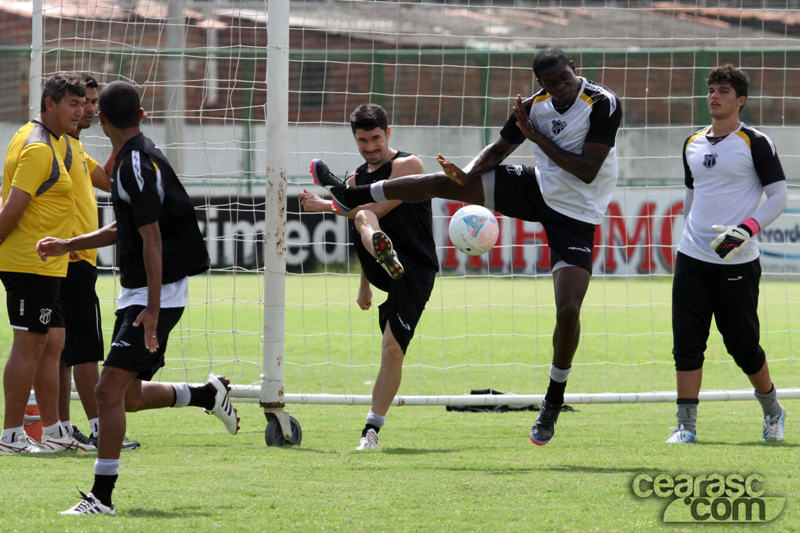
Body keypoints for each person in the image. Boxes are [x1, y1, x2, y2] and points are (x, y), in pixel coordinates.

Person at [312, 47, 622, 446]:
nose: (559, 88)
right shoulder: (534, 106)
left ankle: (552, 400)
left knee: (569, 308)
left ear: (574, 70)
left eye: (563, 79)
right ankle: (352, 194)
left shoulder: (603, 103)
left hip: (576, 217)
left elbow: (586, 169)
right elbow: (499, 149)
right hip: (536, 189)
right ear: (540, 84)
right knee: (444, 183)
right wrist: (468, 174)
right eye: (549, 84)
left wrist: (535, 136)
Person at [36, 81, 239, 515]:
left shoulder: (134, 164)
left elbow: (151, 238)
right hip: (145, 291)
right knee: (125, 397)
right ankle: (206, 394)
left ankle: (101, 498)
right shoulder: (136, 157)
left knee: (107, 392)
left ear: (102, 121)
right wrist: (67, 244)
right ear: (143, 115)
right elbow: (123, 228)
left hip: (156, 293)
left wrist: (150, 306)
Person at [300, 103, 438, 450]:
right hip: (381, 264)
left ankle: (371, 430)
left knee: (392, 350)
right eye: (363, 141)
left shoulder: (409, 165)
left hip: (413, 269)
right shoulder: (356, 178)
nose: (370, 146)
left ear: (388, 133)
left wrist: (329, 204)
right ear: (355, 140)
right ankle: (380, 249)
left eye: (376, 138)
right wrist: (364, 285)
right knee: (360, 218)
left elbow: (377, 208)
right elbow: (364, 219)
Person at [666, 65, 787, 444]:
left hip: (738, 261)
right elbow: (692, 198)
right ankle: (685, 426)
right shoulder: (692, 143)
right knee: (686, 343)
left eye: (723, 91)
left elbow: (780, 197)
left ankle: (772, 410)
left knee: (742, 345)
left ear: (741, 101)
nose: (714, 97)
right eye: (711, 91)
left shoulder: (756, 142)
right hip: (692, 258)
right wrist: (689, 239)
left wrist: (744, 230)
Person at [0, 72, 94, 453]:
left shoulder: (51, 141)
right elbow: (12, 210)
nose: (81, 110)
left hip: (47, 264)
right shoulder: (39, 146)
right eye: (73, 104)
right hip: (29, 263)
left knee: (52, 342)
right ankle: (10, 436)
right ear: (50, 105)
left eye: (83, 103)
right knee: (28, 346)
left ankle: (54, 431)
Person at [55, 73, 140, 451]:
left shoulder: (74, 147)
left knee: (62, 349)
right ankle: (95, 426)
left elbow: (105, 178)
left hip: (75, 257)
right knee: (84, 348)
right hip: (71, 257)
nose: (89, 109)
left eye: (93, 103)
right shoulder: (54, 145)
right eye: (83, 102)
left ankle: (60, 425)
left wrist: (116, 137)